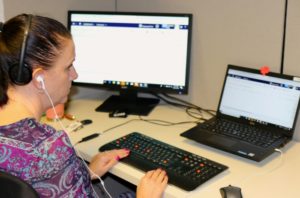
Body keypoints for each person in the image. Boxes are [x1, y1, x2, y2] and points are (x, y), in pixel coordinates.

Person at [0, 14, 168, 197]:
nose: (75, 74)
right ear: (39, 78)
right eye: (68, 67)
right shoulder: (47, 149)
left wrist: (81, 174)